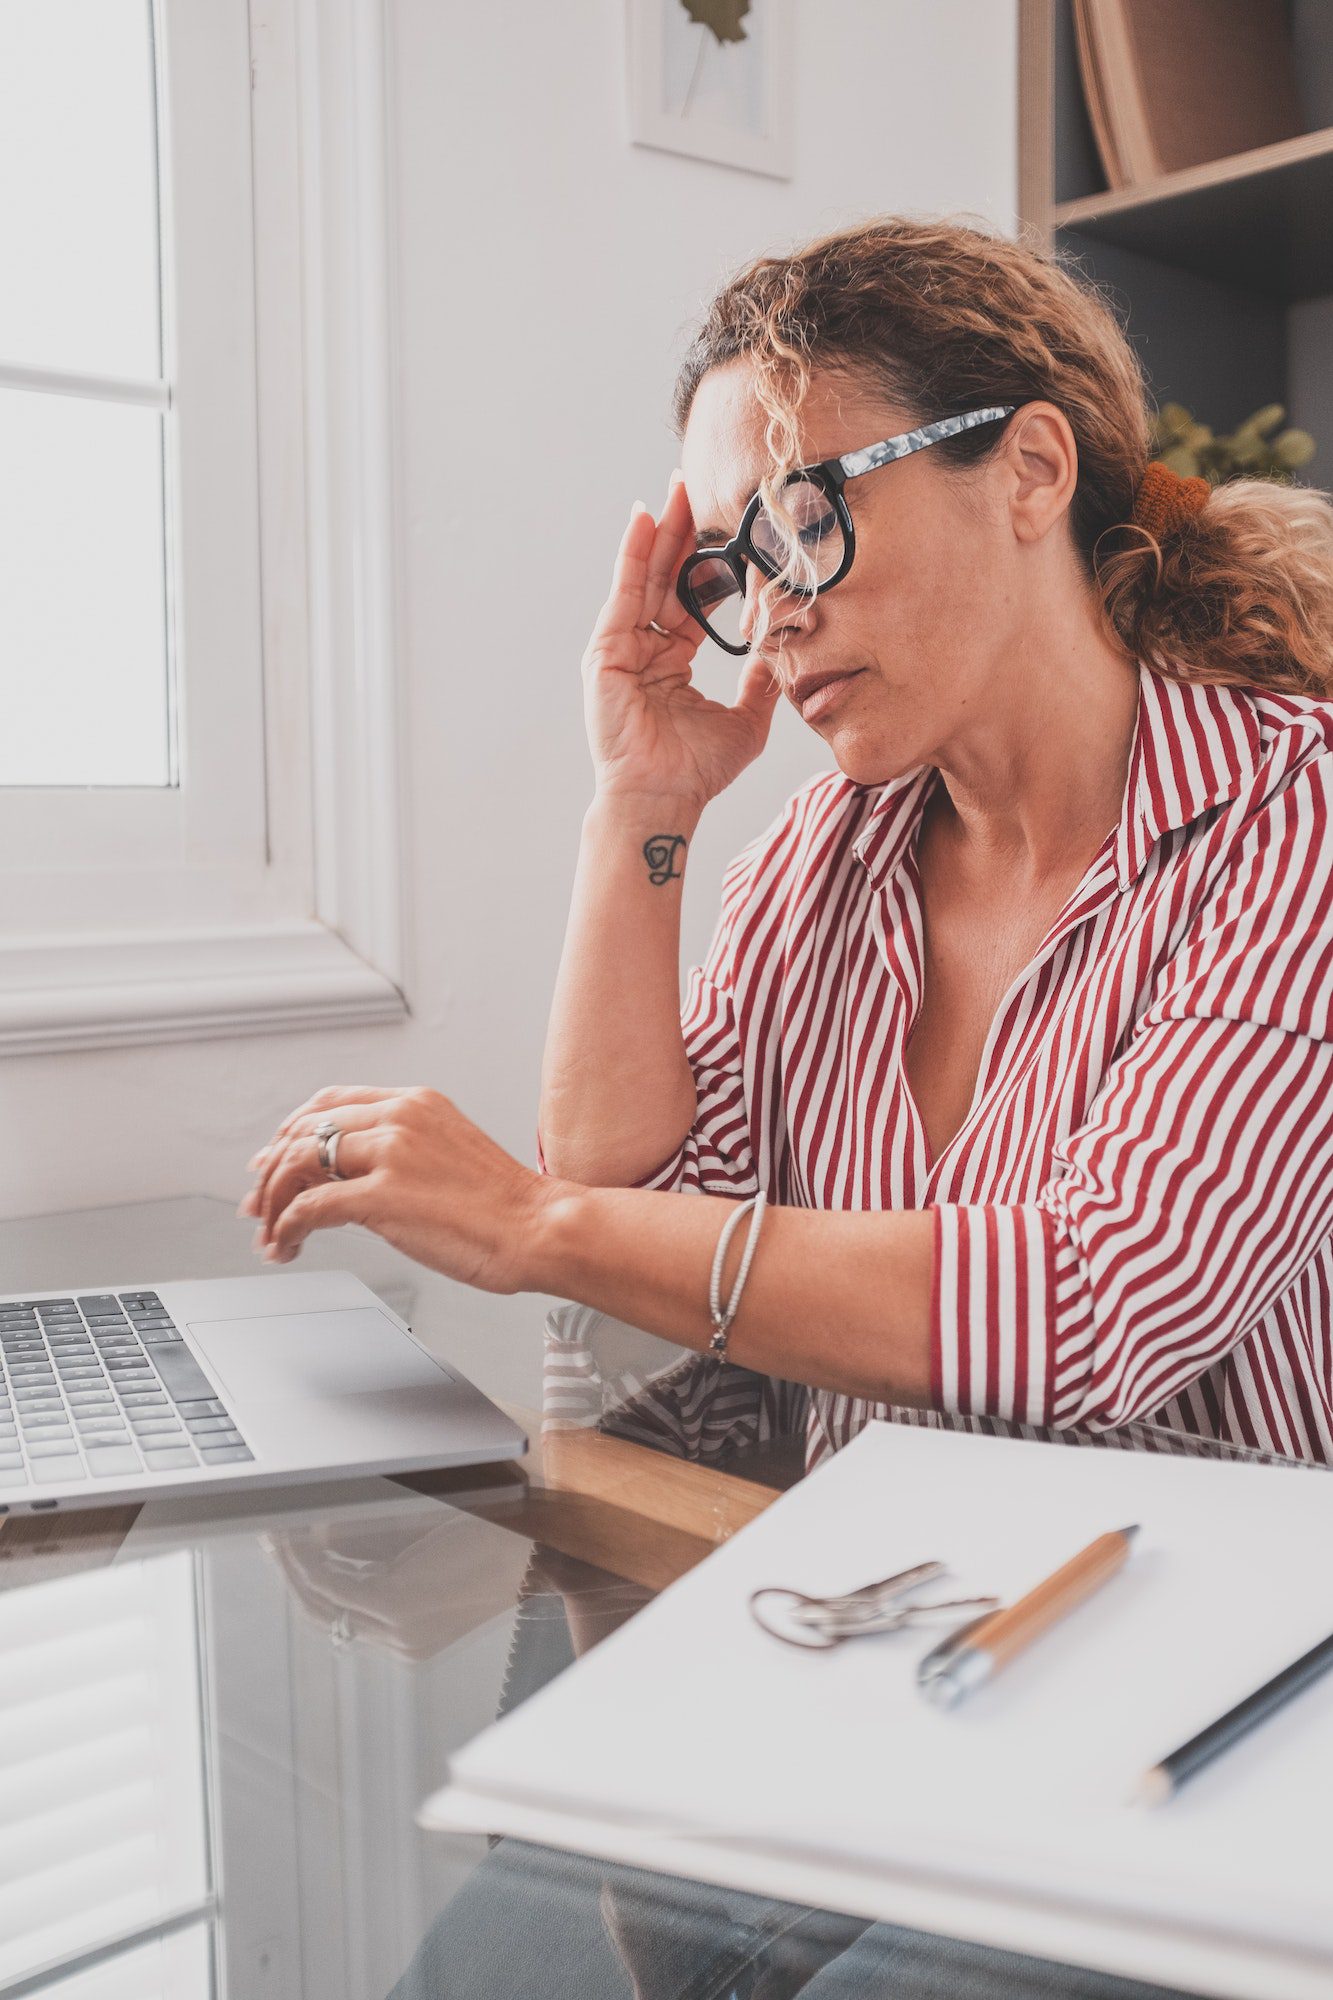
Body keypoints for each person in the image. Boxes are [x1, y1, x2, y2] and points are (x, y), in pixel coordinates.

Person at [242, 210, 1333, 1471]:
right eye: (731, 564)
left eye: (803, 518)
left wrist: (527, 1217)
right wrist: (640, 808)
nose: (767, 617)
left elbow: (1095, 1304)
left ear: (1031, 470)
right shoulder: (828, 849)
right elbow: (640, 1220)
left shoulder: (1290, 818)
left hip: (1213, 1632)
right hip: (872, 1604)